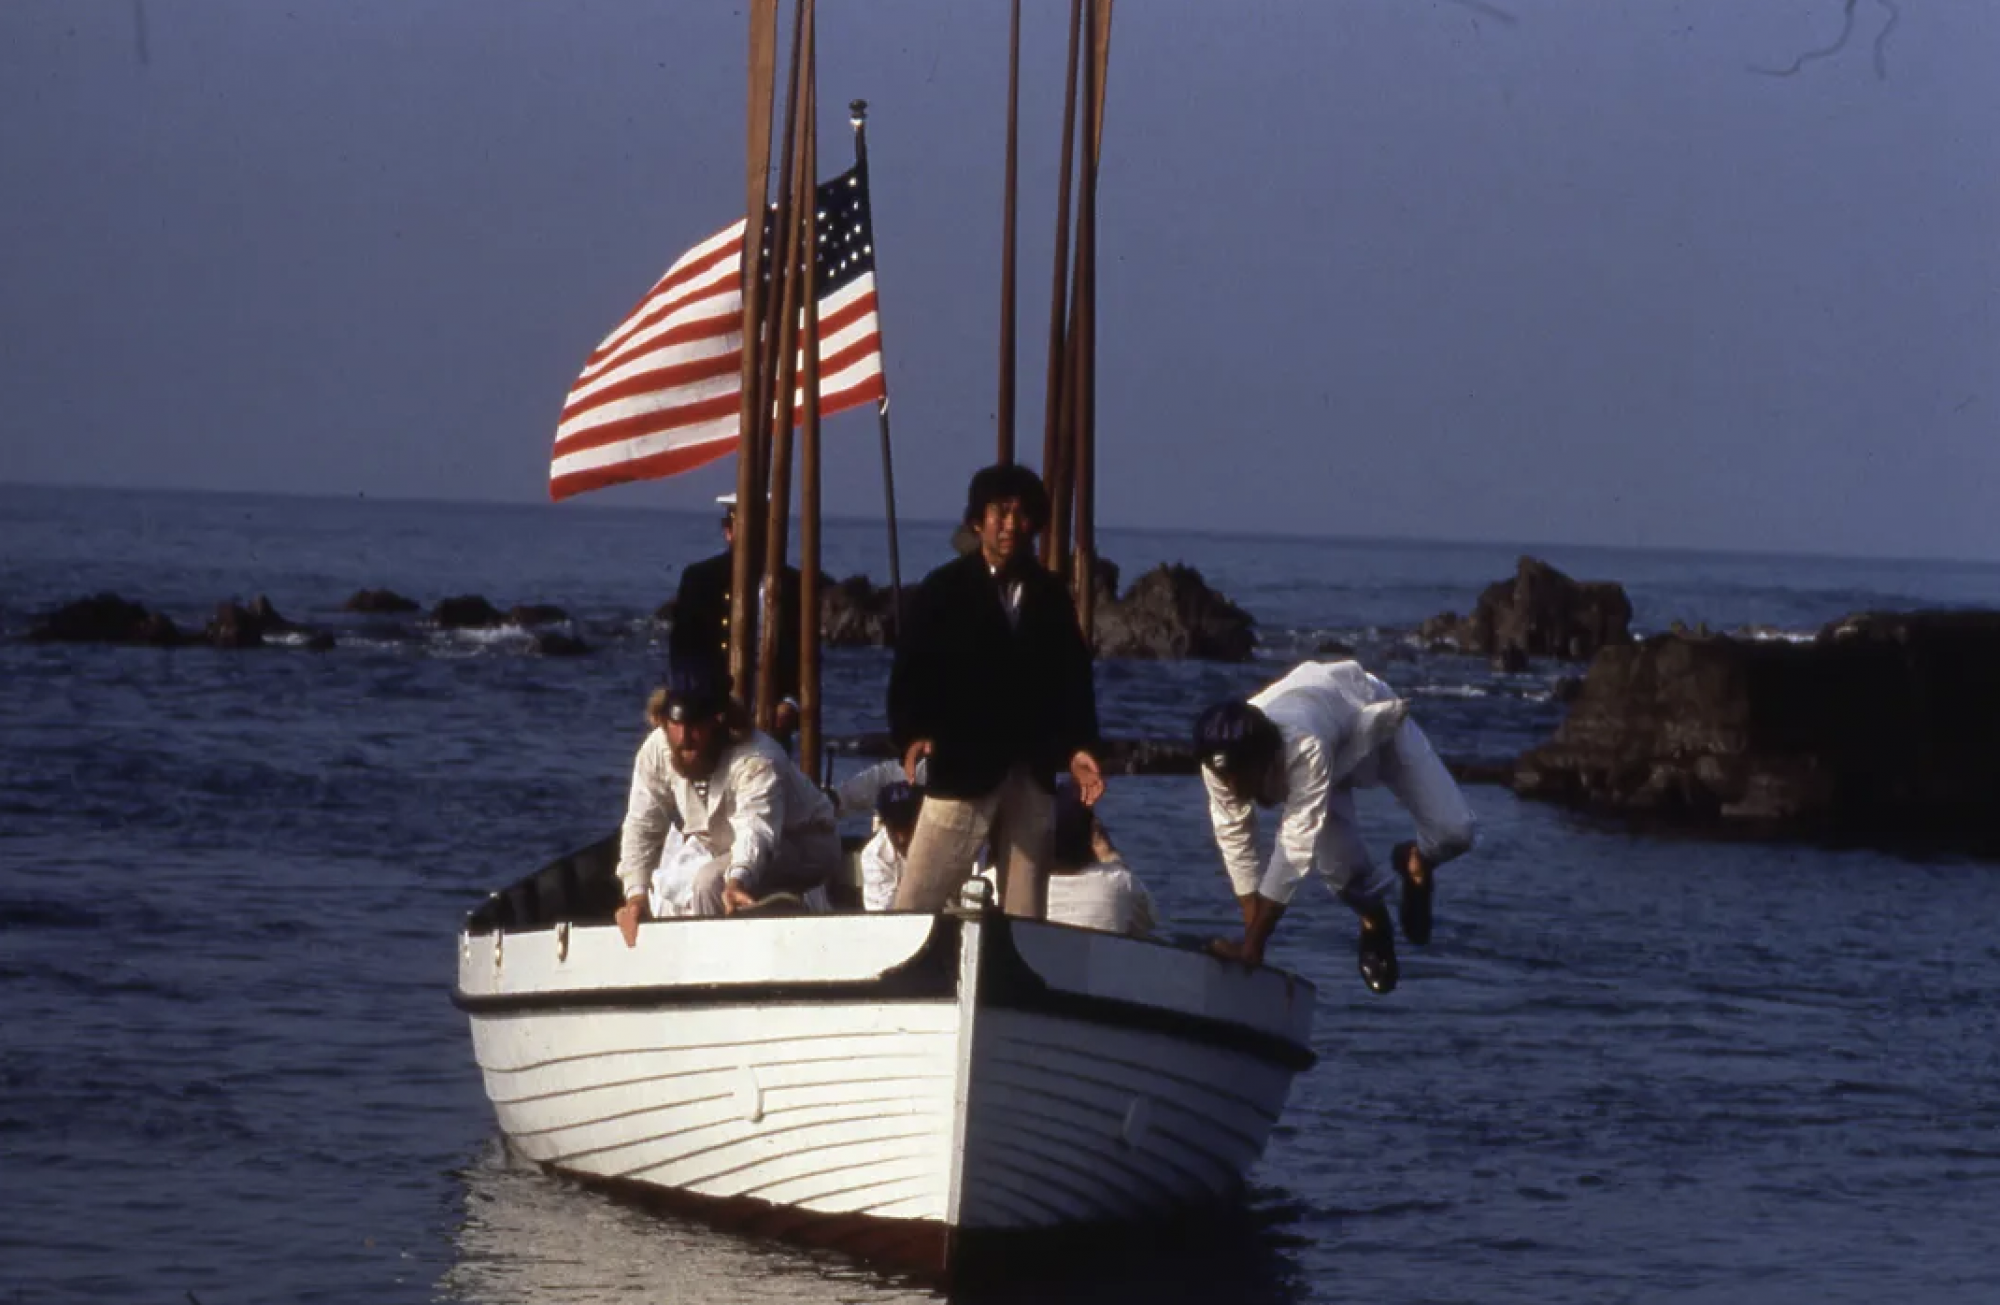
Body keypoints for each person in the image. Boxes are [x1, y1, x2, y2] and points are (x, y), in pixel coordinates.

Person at [888, 464, 1104, 918]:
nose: (1010, 525)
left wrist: (1079, 748)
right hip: (962, 763)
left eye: (1021, 515)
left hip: (1031, 767)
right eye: (999, 513)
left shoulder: (1050, 593)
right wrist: (912, 735)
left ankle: (1018, 966)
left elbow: (1072, 677)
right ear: (977, 521)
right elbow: (911, 671)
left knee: (1026, 912)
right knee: (917, 903)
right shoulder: (943, 588)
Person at [1195, 659, 1477, 994]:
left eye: (1241, 777)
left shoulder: (1303, 746)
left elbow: (1292, 850)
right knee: (1343, 874)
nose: (1233, 787)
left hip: (1367, 722)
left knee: (1456, 832)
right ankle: (1374, 921)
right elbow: (1236, 841)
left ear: (1265, 759)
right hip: (1325, 752)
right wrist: (1252, 940)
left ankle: (1417, 861)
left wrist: (1253, 945)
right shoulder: (1218, 764)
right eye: (1225, 778)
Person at [613, 660, 840, 942]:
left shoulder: (757, 758)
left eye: (696, 725)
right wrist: (636, 896)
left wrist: (737, 879)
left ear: (718, 721)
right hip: (727, 846)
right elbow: (642, 826)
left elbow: (756, 828)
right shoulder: (656, 751)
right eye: (676, 724)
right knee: (697, 880)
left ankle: (728, 955)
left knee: (709, 883)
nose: (684, 739)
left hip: (803, 842)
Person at [667, 493, 801, 738]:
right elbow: (684, 653)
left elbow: (804, 657)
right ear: (728, 531)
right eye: (745, 526)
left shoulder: (795, 585)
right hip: (712, 716)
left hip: (773, 718)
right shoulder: (701, 580)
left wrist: (791, 704)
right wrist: (708, 703)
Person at [1042, 785, 1157, 937]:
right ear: (1091, 837)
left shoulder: (1022, 888)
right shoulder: (1119, 881)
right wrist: (1111, 856)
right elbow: (1150, 920)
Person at [831, 758, 925, 912]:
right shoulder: (874, 856)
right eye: (895, 828)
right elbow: (885, 913)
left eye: (908, 827)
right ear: (885, 824)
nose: (902, 838)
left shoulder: (942, 844)